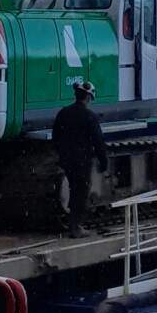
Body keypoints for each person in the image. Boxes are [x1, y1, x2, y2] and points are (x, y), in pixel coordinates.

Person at [50, 79, 110, 232]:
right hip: (82, 161)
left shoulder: (63, 113)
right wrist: (104, 162)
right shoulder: (90, 117)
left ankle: (73, 223)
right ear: (88, 97)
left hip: (67, 160)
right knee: (81, 192)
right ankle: (76, 227)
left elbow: (55, 137)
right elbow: (98, 141)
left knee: (73, 189)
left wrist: (62, 154)